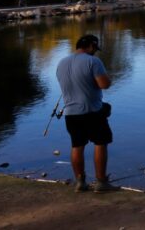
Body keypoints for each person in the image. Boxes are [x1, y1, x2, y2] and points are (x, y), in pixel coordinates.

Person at [56, 34, 118, 193]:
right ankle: (101, 182)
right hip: (92, 112)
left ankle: (80, 182)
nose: (95, 52)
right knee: (101, 142)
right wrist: (108, 78)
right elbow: (104, 84)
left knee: (77, 145)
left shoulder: (61, 63)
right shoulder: (93, 61)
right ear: (90, 46)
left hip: (70, 113)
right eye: (95, 48)